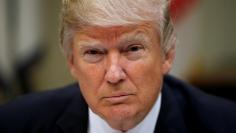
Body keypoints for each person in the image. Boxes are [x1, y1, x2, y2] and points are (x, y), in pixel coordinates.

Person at [0, 0, 236, 133]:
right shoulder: (15, 124)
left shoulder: (225, 125)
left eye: (132, 49)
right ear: (72, 62)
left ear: (167, 55)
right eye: (94, 52)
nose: (114, 74)